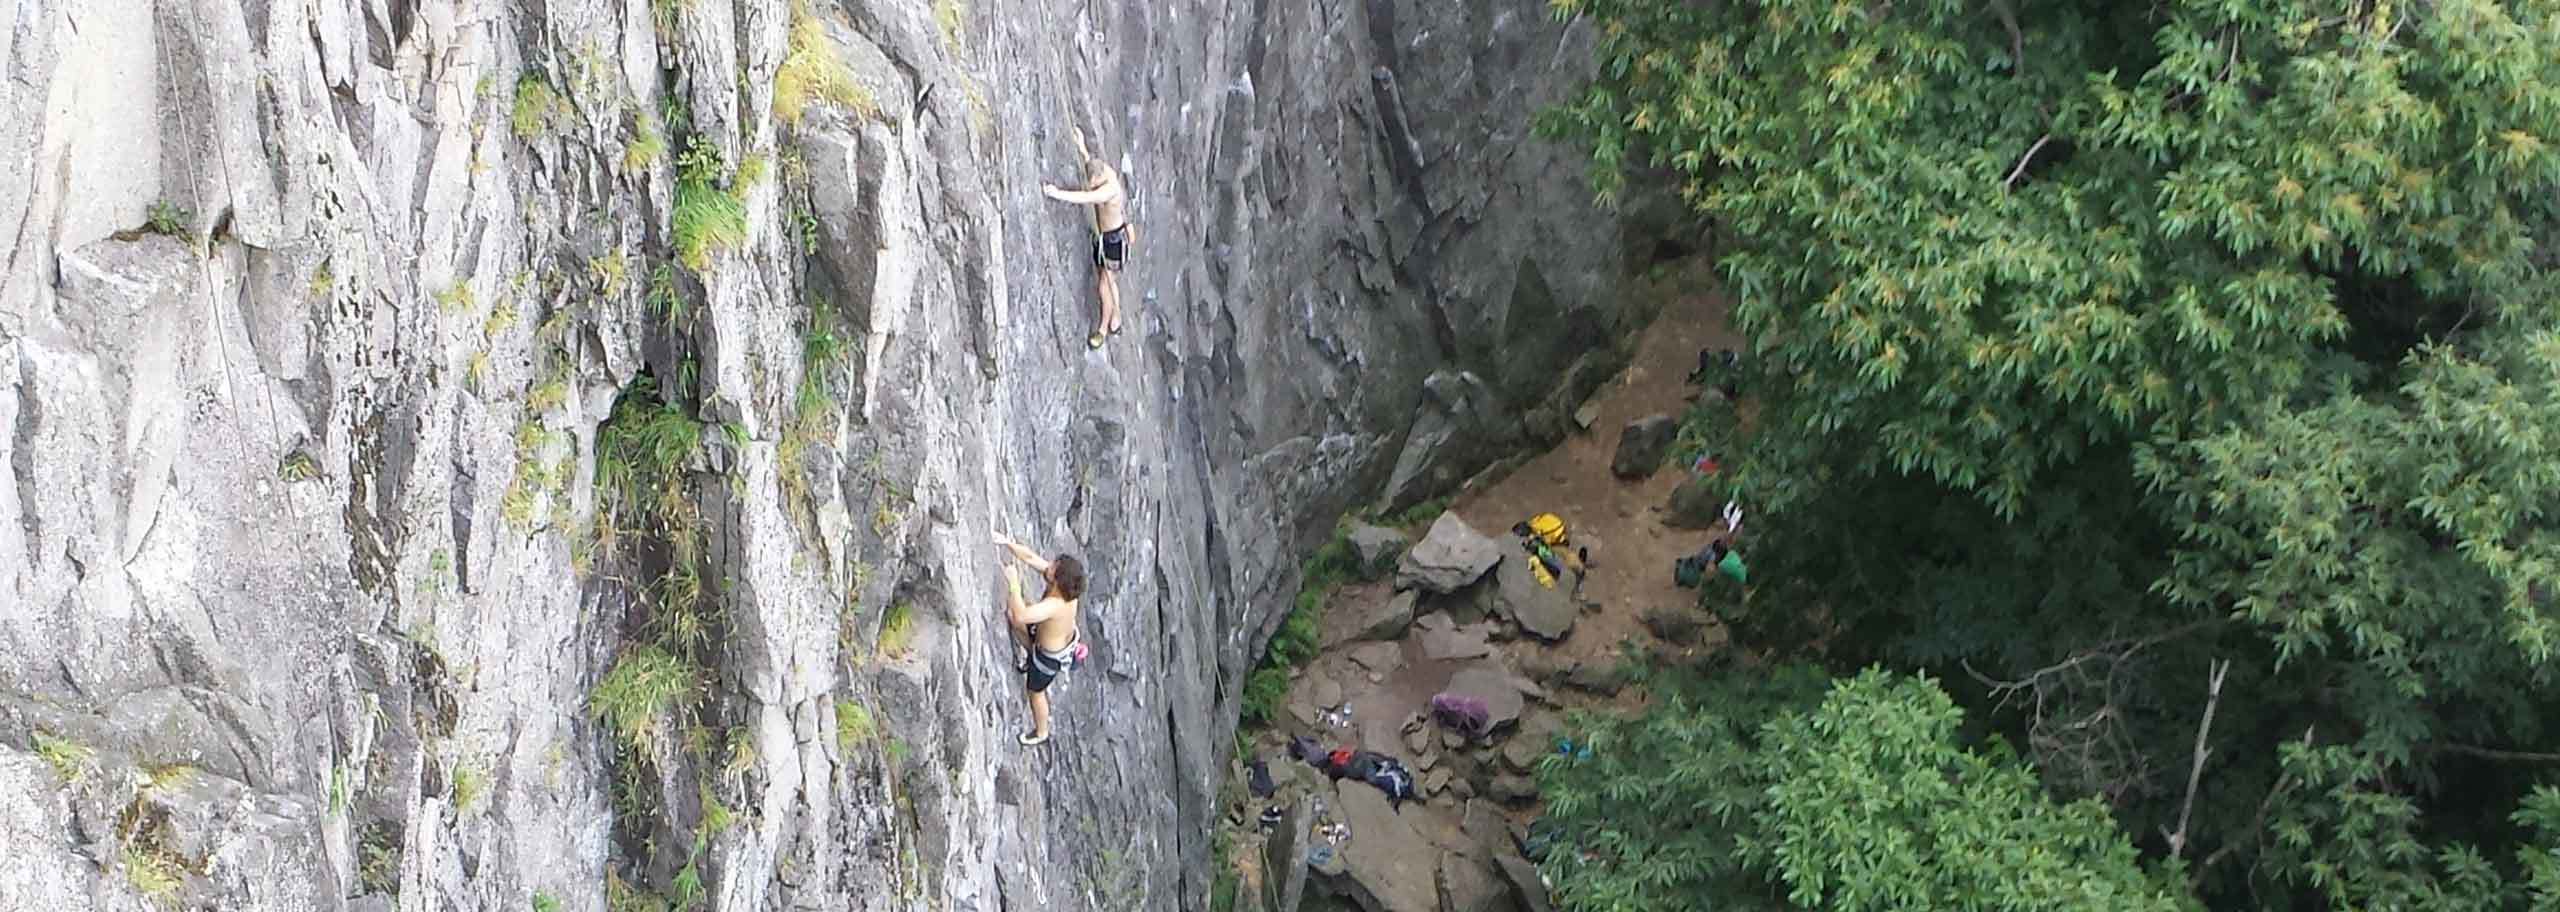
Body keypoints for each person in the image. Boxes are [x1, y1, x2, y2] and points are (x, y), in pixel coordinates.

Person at [1040, 126, 1133, 349]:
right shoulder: (1103, 171)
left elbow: (1084, 198)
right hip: (1107, 237)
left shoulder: (1108, 190)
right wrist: (1081, 146)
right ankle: (1116, 318)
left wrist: (1056, 193)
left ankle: (1103, 329)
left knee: (1104, 285)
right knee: (1108, 280)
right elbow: (1091, 163)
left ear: (1098, 180)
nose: (1090, 185)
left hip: (1113, 241)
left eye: (1093, 183)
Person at [992, 530, 1086, 745]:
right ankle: (1030, 653)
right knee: (1015, 622)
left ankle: (1041, 732)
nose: (1049, 566)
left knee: (1035, 692)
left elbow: (1022, 614)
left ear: (1058, 580)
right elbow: (1031, 558)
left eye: (1053, 567)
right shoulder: (1065, 590)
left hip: (1048, 659)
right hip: (1044, 640)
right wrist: (1007, 543)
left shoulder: (1055, 604)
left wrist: (1013, 583)